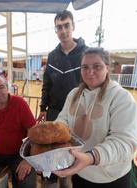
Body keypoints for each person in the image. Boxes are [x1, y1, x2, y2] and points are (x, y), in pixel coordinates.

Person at [53, 47, 137, 188]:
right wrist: (53, 136)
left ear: (107, 68)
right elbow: (63, 120)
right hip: (80, 170)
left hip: (111, 177)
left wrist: (90, 157)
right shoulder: (74, 94)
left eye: (97, 66)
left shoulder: (121, 98)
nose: (90, 72)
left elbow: (125, 142)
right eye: (85, 67)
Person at [36, 10, 87, 188]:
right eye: (59, 27)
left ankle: (67, 181)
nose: (63, 31)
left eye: (66, 26)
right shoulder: (52, 56)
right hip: (55, 113)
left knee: (72, 152)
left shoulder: (85, 53)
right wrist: (43, 108)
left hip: (78, 112)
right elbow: (46, 84)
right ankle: (50, 181)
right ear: (55, 30)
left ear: (73, 27)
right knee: (51, 152)